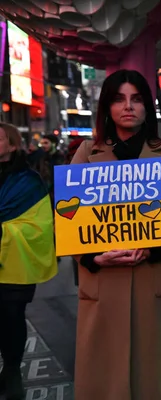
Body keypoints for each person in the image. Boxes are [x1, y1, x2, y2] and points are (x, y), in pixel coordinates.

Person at [69, 69, 161, 400]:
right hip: (102, 289)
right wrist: (91, 256)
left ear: (147, 107)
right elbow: (68, 224)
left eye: (137, 99)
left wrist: (158, 249)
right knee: (103, 384)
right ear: (107, 107)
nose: (128, 106)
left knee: (154, 384)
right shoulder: (87, 153)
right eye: (119, 99)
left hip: (152, 287)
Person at [0, 123, 57, 400]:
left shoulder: (29, 181)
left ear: (12, 144)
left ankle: (11, 371)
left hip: (15, 266)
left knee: (11, 319)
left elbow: (41, 226)